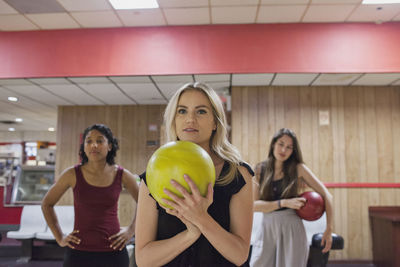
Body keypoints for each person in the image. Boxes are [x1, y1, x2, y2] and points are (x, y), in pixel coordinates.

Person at [135, 82, 254, 267]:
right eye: (182, 111)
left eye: (201, 111)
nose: (190, 119)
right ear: (174, 120)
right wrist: (190, 234)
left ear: (215, 122)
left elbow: (239, 255)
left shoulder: (237, 174)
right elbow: (143, 259)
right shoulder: (152, 175)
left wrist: (201, 219)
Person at [42, 124, 139, 267]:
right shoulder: (71, 174)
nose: (94, 145)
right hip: (78, 252)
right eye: (89, 141)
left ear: (110, 146)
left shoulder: (122, 174)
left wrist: (131, 230)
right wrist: (60, 237)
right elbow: (46, 204)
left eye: (100, 141)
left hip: (113, 251)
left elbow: (145, 202)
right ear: (84, 146)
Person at [250, 128, 333, 267]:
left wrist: (329, 229)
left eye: (289, 147)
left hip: (292, 228)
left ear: (293, 151)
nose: (283, 150)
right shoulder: (258, 169)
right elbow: (254, 205)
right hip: (267, 227)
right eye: (281, 144)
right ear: (273, 144)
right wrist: (284, 203)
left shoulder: (298, 169)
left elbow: (327, 195)